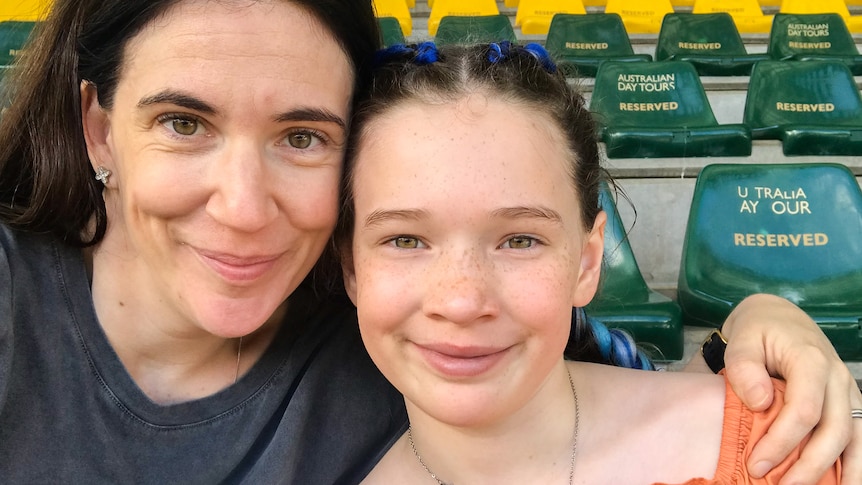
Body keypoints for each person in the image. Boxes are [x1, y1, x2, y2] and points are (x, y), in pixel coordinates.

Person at [0, 1, 857, 483]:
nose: (244, 206)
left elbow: (562, 347)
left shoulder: (365, 331)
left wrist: (759, 324)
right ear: (100, 130)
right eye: (184, 122)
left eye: (302, 135)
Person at [336, 41, 849, 484]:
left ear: (587, 260)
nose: (462, 301)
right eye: (405, 240)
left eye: (519, 241)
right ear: (352, 267)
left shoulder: (784, 447)